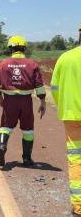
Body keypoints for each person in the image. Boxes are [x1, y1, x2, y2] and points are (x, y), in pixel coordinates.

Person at [0, 35, 46, 167]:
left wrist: (0, 98)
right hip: (26, 101)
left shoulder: (2, 64)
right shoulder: (32, 64)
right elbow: (39, 86)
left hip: (9, 101)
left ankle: (1, 146)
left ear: (10, 48)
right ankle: (27, 159)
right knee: (28, 130)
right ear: (23, 48)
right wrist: (43, 102)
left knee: (5, 127)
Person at [51, 27, 81, 216]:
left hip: (72, 117)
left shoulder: (66, 58)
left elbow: (54, 88)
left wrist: (64, 107)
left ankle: (78, 206)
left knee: (76, 160)